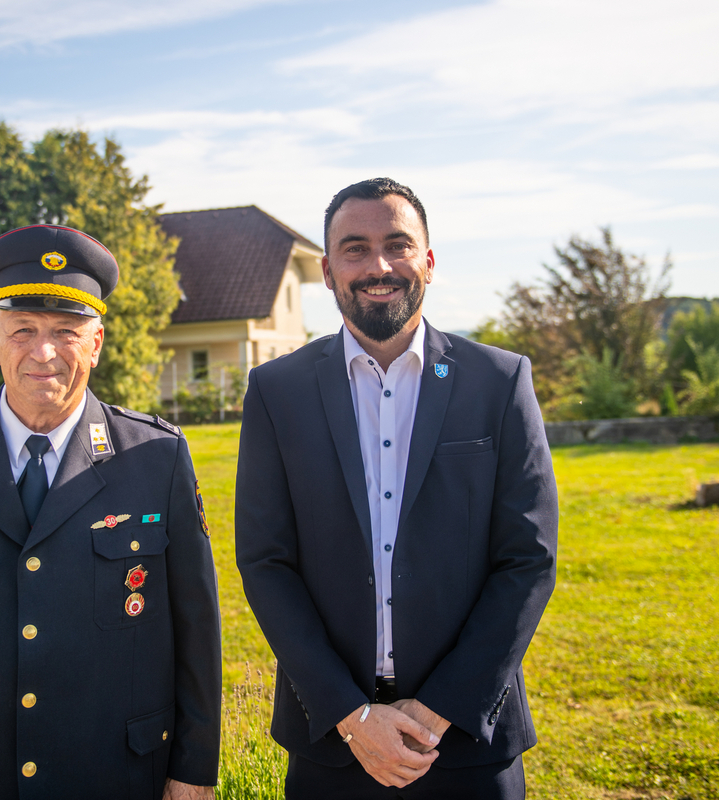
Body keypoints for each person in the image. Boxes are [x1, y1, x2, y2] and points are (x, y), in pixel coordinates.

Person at [0, 224, 221, 800]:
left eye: (66, 332)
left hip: (115, 774)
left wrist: (193, 772)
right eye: (23, 330)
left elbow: (197, 631)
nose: (44, 353)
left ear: (96, 343)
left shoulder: (156, 458)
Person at [235, 178, 558, 799]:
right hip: (332, 745)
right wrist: (352, 717)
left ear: (428, 261)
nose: (378, 266)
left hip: (467, 741)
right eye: (354, 249)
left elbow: (528, 558)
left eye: (398, 245)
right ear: (327, 271)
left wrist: (440, 710)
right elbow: (265, 562)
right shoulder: (276, 392)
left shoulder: (499, 382)